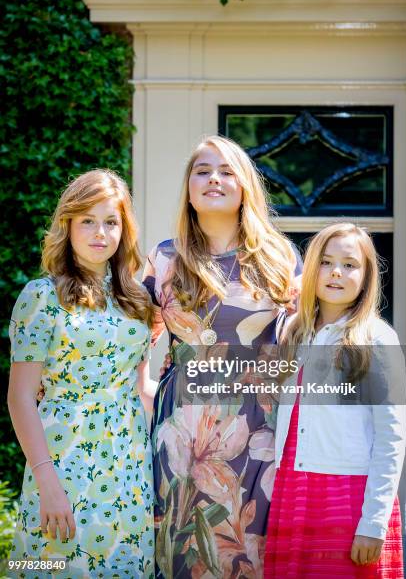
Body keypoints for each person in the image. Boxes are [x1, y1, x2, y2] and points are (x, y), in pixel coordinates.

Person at [142, 135, 302, 578]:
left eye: (227, 171)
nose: (214, 179)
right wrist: (143, 389)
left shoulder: (278, 255)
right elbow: (135, 336)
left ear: (245, 185)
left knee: (247, 553)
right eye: (202, 171)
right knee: (180, 556)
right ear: (189, 188)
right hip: (180, 436)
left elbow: (307, 337)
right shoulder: (166, 257)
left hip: (256, 433)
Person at [8, 169, 155, 578]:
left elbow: (142, 388)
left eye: (111, 221)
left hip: (129, 468)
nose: (100, 232)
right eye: (87, 220)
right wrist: (46, 484)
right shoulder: (41, 296)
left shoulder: (137, 300)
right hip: (63, 462)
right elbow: (19, 398)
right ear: (68, 224)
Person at [265, 222, 406, 578]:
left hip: (349, 494)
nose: (336, 273)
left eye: (350, 264)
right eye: (326, 262)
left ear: (367, 276)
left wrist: (372, 522)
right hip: (294, 489)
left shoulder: (377, 339)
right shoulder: (294, 332)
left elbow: (392, 439)